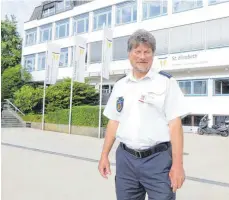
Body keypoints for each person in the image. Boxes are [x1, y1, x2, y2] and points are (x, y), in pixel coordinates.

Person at [98, 29, 188, 200]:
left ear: (153, 55)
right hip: (125, 160)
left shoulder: (166, 83)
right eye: (137, 51)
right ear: (129, 54)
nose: (142, 56)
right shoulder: (120, 85)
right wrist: (104, 156)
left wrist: (178, 165)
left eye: (147, 52)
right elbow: (113, 122)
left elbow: (175, 125)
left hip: (158, 160)